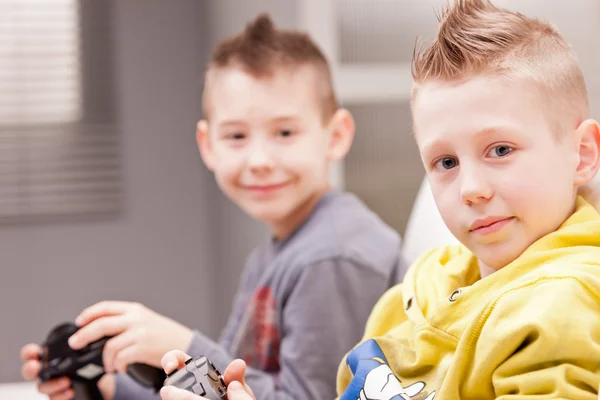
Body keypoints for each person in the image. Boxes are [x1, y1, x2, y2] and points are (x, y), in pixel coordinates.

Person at [161, 1, 600, 399]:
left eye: (501, 150)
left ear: (581, 155)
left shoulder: (561, 305)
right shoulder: (425, 283)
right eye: (445, 162)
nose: (471, 188)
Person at [19, 13, 406, 400]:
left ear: (335, 136)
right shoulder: (272, 256)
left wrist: (188, 346)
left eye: (284, 132)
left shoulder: (334, 255)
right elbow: (226, 389)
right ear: (208, 146)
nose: (259, 159)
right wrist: (107, 387)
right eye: (236, 135)